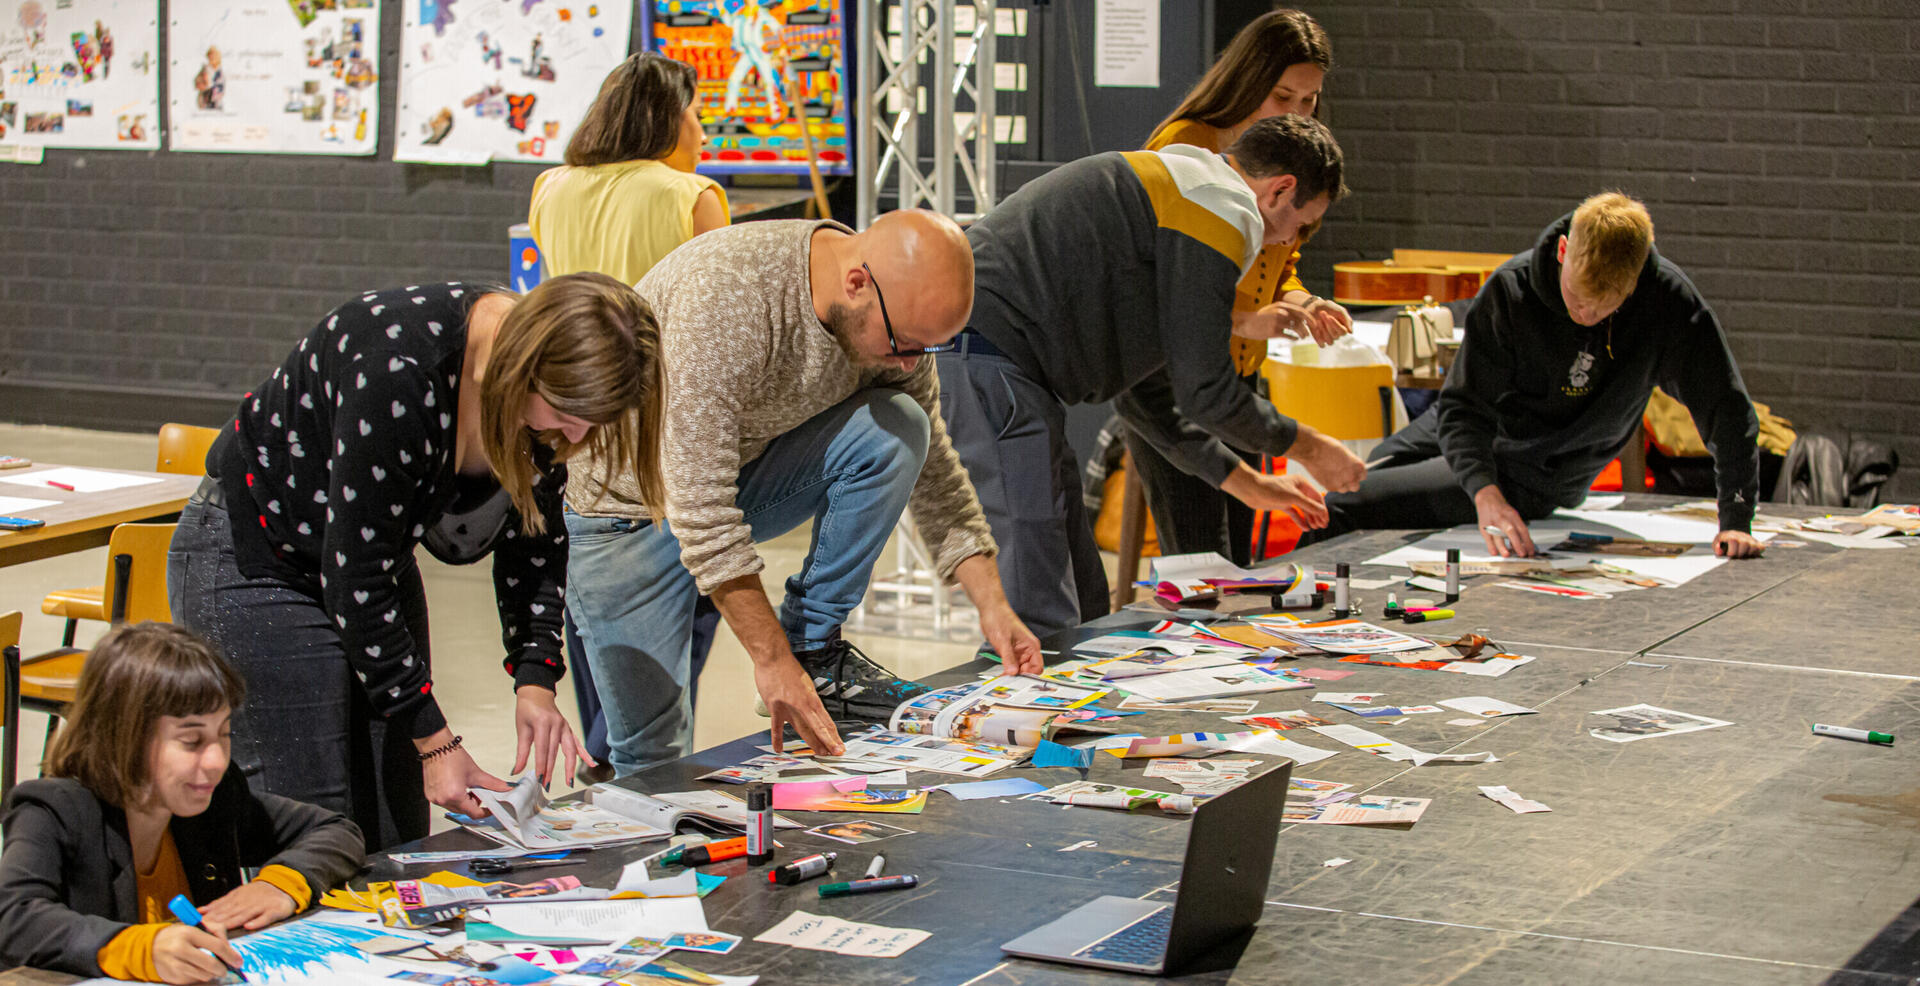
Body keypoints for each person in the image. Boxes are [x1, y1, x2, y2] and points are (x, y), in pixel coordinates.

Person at [168, 273, 664, 850]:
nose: (575, 434)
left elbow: (535, 539)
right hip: (260, 557)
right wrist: (438, 743)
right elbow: (355, 577)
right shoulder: (400, 367)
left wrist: (535, 679)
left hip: (365, 563)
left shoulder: (537, 385)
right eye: (567, 413)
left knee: (396, 826)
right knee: (314, 826)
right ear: (524, 368)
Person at [564, 209, 1045, 776]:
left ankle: (816, 647)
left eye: (928, 349)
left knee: (900, 425)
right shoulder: (730, 297)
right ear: (857, 282)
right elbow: (700, 507)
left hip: (733, 480)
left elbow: (933, 462)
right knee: (652, 761)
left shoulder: (894, 319)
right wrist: (771, 661)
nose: (911, 360)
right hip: (623, 514)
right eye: (904, 343)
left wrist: (994, 606)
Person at [938, 115, 1367, 636]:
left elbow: (1147, 396)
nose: (1288, 242)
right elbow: (1205, 390)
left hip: (1000, 358)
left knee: (1081, 584)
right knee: (1040, 588)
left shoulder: (1183, 188)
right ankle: (1024, 710)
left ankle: (1071, 699)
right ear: (1281, 190)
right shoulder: (1221, 206)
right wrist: (1309, 447)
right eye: (1300, 224)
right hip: (984, 350)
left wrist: (1247, 483)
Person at [1306, 192, 1764, 559]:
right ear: (1563, 251)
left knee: (1345, 506)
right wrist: (1484, 493)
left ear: (1636, 280)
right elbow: (1464, 407)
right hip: (1479, 425)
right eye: (1577, 299)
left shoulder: (1668, 303)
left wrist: (1735, 519)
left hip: (1539, 465)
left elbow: (1726, 407)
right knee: (1355, 480)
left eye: (1605, 307)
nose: (1586, 316)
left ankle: (1298, 618)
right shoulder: (1512, 289)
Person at [527, 51, 730, 781]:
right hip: (666, 436)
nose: (701, 127)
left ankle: (604, 760)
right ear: (669, 116)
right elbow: (716, 324)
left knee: (596, 614)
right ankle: (632, 763)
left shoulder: (551, 190)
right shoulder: (691, 194)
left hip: (575, 429)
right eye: (695, 110)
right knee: (682, 616)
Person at [0, 622, 363, 981]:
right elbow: (12, 916)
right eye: (191, 742)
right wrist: (138, 948)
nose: (217, 761)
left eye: (223, 734)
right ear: (125, 736)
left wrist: (281, 883)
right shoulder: (54, 808)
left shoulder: (212, 797)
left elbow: (334, 829)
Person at [1126, 8, 1352, 566]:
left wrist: (1299, 298)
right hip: (1182, 380)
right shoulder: (1188, 146)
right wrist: (1246, 320)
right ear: (1247, 82)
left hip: (1241, 377)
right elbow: (1163, 294)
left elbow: (1279, 260)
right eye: (1283, 97)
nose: (1301, 113)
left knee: (1239, 562)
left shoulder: (1286, 155)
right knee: (1205, 565)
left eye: (1309, 100)